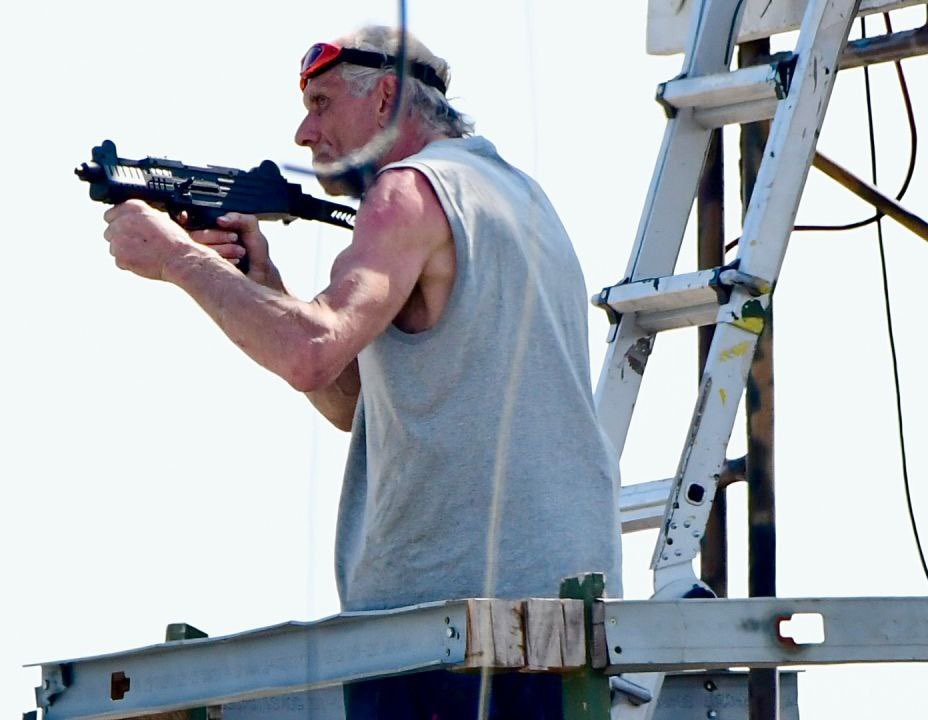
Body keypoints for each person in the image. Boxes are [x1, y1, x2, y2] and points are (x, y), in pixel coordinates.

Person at [103, 25, 622, 719]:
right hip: (552, 626)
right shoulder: (516, 195)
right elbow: (360, 403)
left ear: (383, 99)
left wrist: (176, 259)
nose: (301, 132)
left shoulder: (406, 192)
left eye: (320, 103)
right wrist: (269, 288)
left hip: (448, 635)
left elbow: (309, 351)